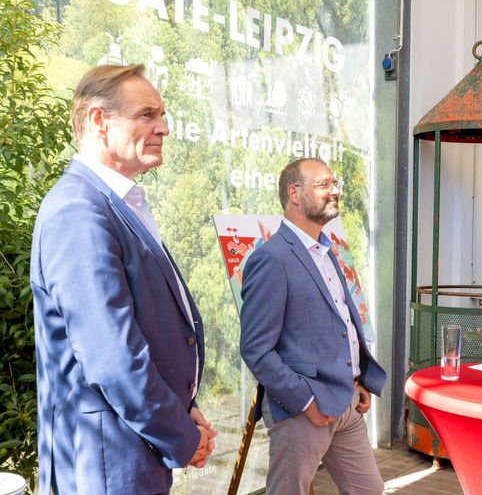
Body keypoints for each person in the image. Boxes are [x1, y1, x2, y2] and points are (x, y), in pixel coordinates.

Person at [30, 64, 217, 494]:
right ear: (99, 121)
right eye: (147, 115)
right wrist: (182, 437)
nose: (164, 127)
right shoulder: (79, 210)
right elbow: (114, 358)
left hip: (128, 452)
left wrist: (182, 411)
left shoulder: (113, 203)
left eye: (162, 115)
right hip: (107, 464)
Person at [240, 158, 387, 495]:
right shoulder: (272, 258)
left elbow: (338, 324)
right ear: (295, 193)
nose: (334, 190)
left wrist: (356, 380)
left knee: (369, 490)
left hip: (347, 399)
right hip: (303, 410)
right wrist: (305, 401)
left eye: (334, 183)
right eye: (323, 184)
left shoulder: (326, 250)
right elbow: (256, 348)